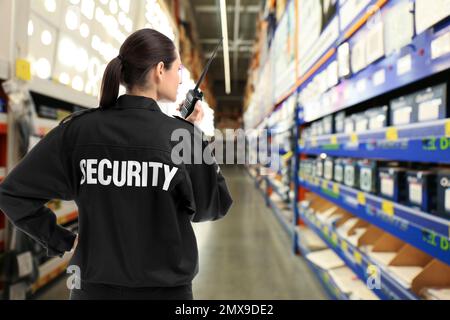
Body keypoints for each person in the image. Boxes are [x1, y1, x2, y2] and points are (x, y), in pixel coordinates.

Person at [0, 28, 233, 300]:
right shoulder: (181, 138)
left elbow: (12, 194)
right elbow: (214, 205)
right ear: (160, 70)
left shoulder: (78, 131)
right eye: (178, 70)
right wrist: (195, 136)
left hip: (91, 292)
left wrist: (61, 240)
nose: (181, 80)